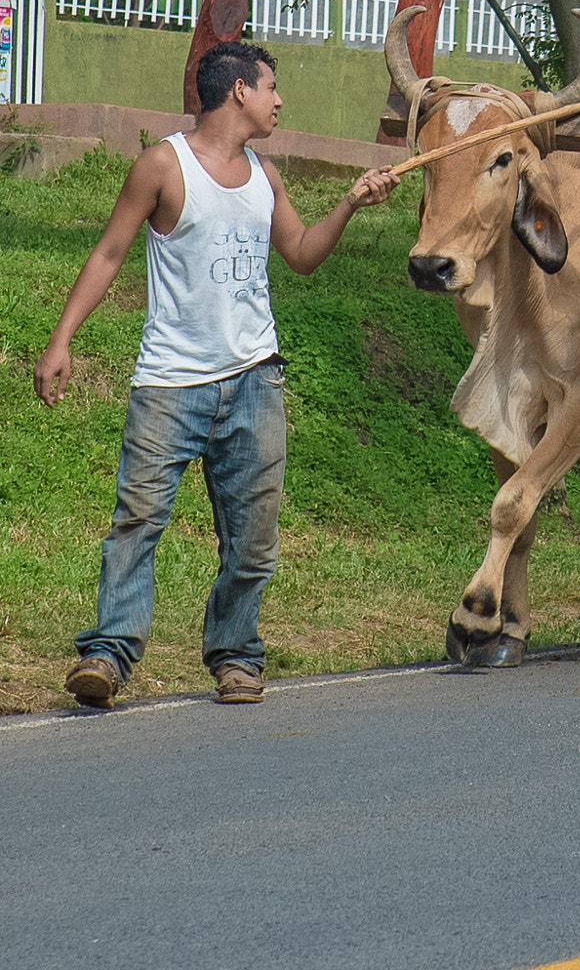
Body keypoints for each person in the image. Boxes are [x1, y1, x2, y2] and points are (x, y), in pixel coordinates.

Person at [32, 39, 401, 707]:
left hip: (255, 380)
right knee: (137, 524)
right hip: (170, 383)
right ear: (239, 91)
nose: (279, 100)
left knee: (252, 539)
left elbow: (302, 255)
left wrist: (349, 203)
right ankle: (107, 657)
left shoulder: (266, 174)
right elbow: (110, 252)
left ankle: (235, 655)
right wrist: (61, 341)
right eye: (270, 88)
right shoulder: (162, 166)